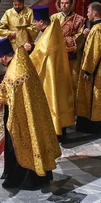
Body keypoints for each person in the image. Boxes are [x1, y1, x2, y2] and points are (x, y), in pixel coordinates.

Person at [0, 38, 62, 189]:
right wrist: (3, 87)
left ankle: (22, 179)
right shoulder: (20, 61)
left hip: (20, 117)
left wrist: (3, 90)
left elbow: (13, 95)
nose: (0, 62)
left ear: (3, 57)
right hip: (33, 112)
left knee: (17, 144)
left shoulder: (14, 71)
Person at [27, 8, 76, 136]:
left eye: (35, 22)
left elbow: (40, 54)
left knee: (52, 101)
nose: (34, 24)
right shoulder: (52, 29)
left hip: (51, 76)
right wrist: (33, 46)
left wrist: (25, 58)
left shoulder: (49, 34)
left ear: (41, 22)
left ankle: (55, 132)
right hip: (56, 73)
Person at [76, 2, 101, 134]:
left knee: (93, 97)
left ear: (95, 13)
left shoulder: (97, 29)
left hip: (96, 72)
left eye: (88, 11)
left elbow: (94, 52)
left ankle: (92, 125)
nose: (87, 14)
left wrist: (88, 71)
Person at [51, 0, 87, 99]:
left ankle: (73, 108)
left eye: (66, 3)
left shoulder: (79, 20)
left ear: (71, 5)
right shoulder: (54, 18)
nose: (64, 5)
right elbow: (49, 34)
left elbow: (80, 36)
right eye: (62, 3)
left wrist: (62, 41)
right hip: (57, 55)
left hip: (73, 56)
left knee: (73, 81)